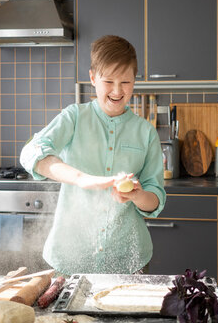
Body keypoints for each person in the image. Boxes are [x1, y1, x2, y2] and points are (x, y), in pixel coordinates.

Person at [20, 35, 165, 275]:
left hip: (128, 260)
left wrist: (138, 195)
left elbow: (156, 198)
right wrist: (80, 178)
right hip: (70, 257)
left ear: (134, 81)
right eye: (108, 81)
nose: (117, 91)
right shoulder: (74, 117)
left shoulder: (146, 132)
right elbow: (31, 152)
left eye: (126, 82)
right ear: (92, 77)